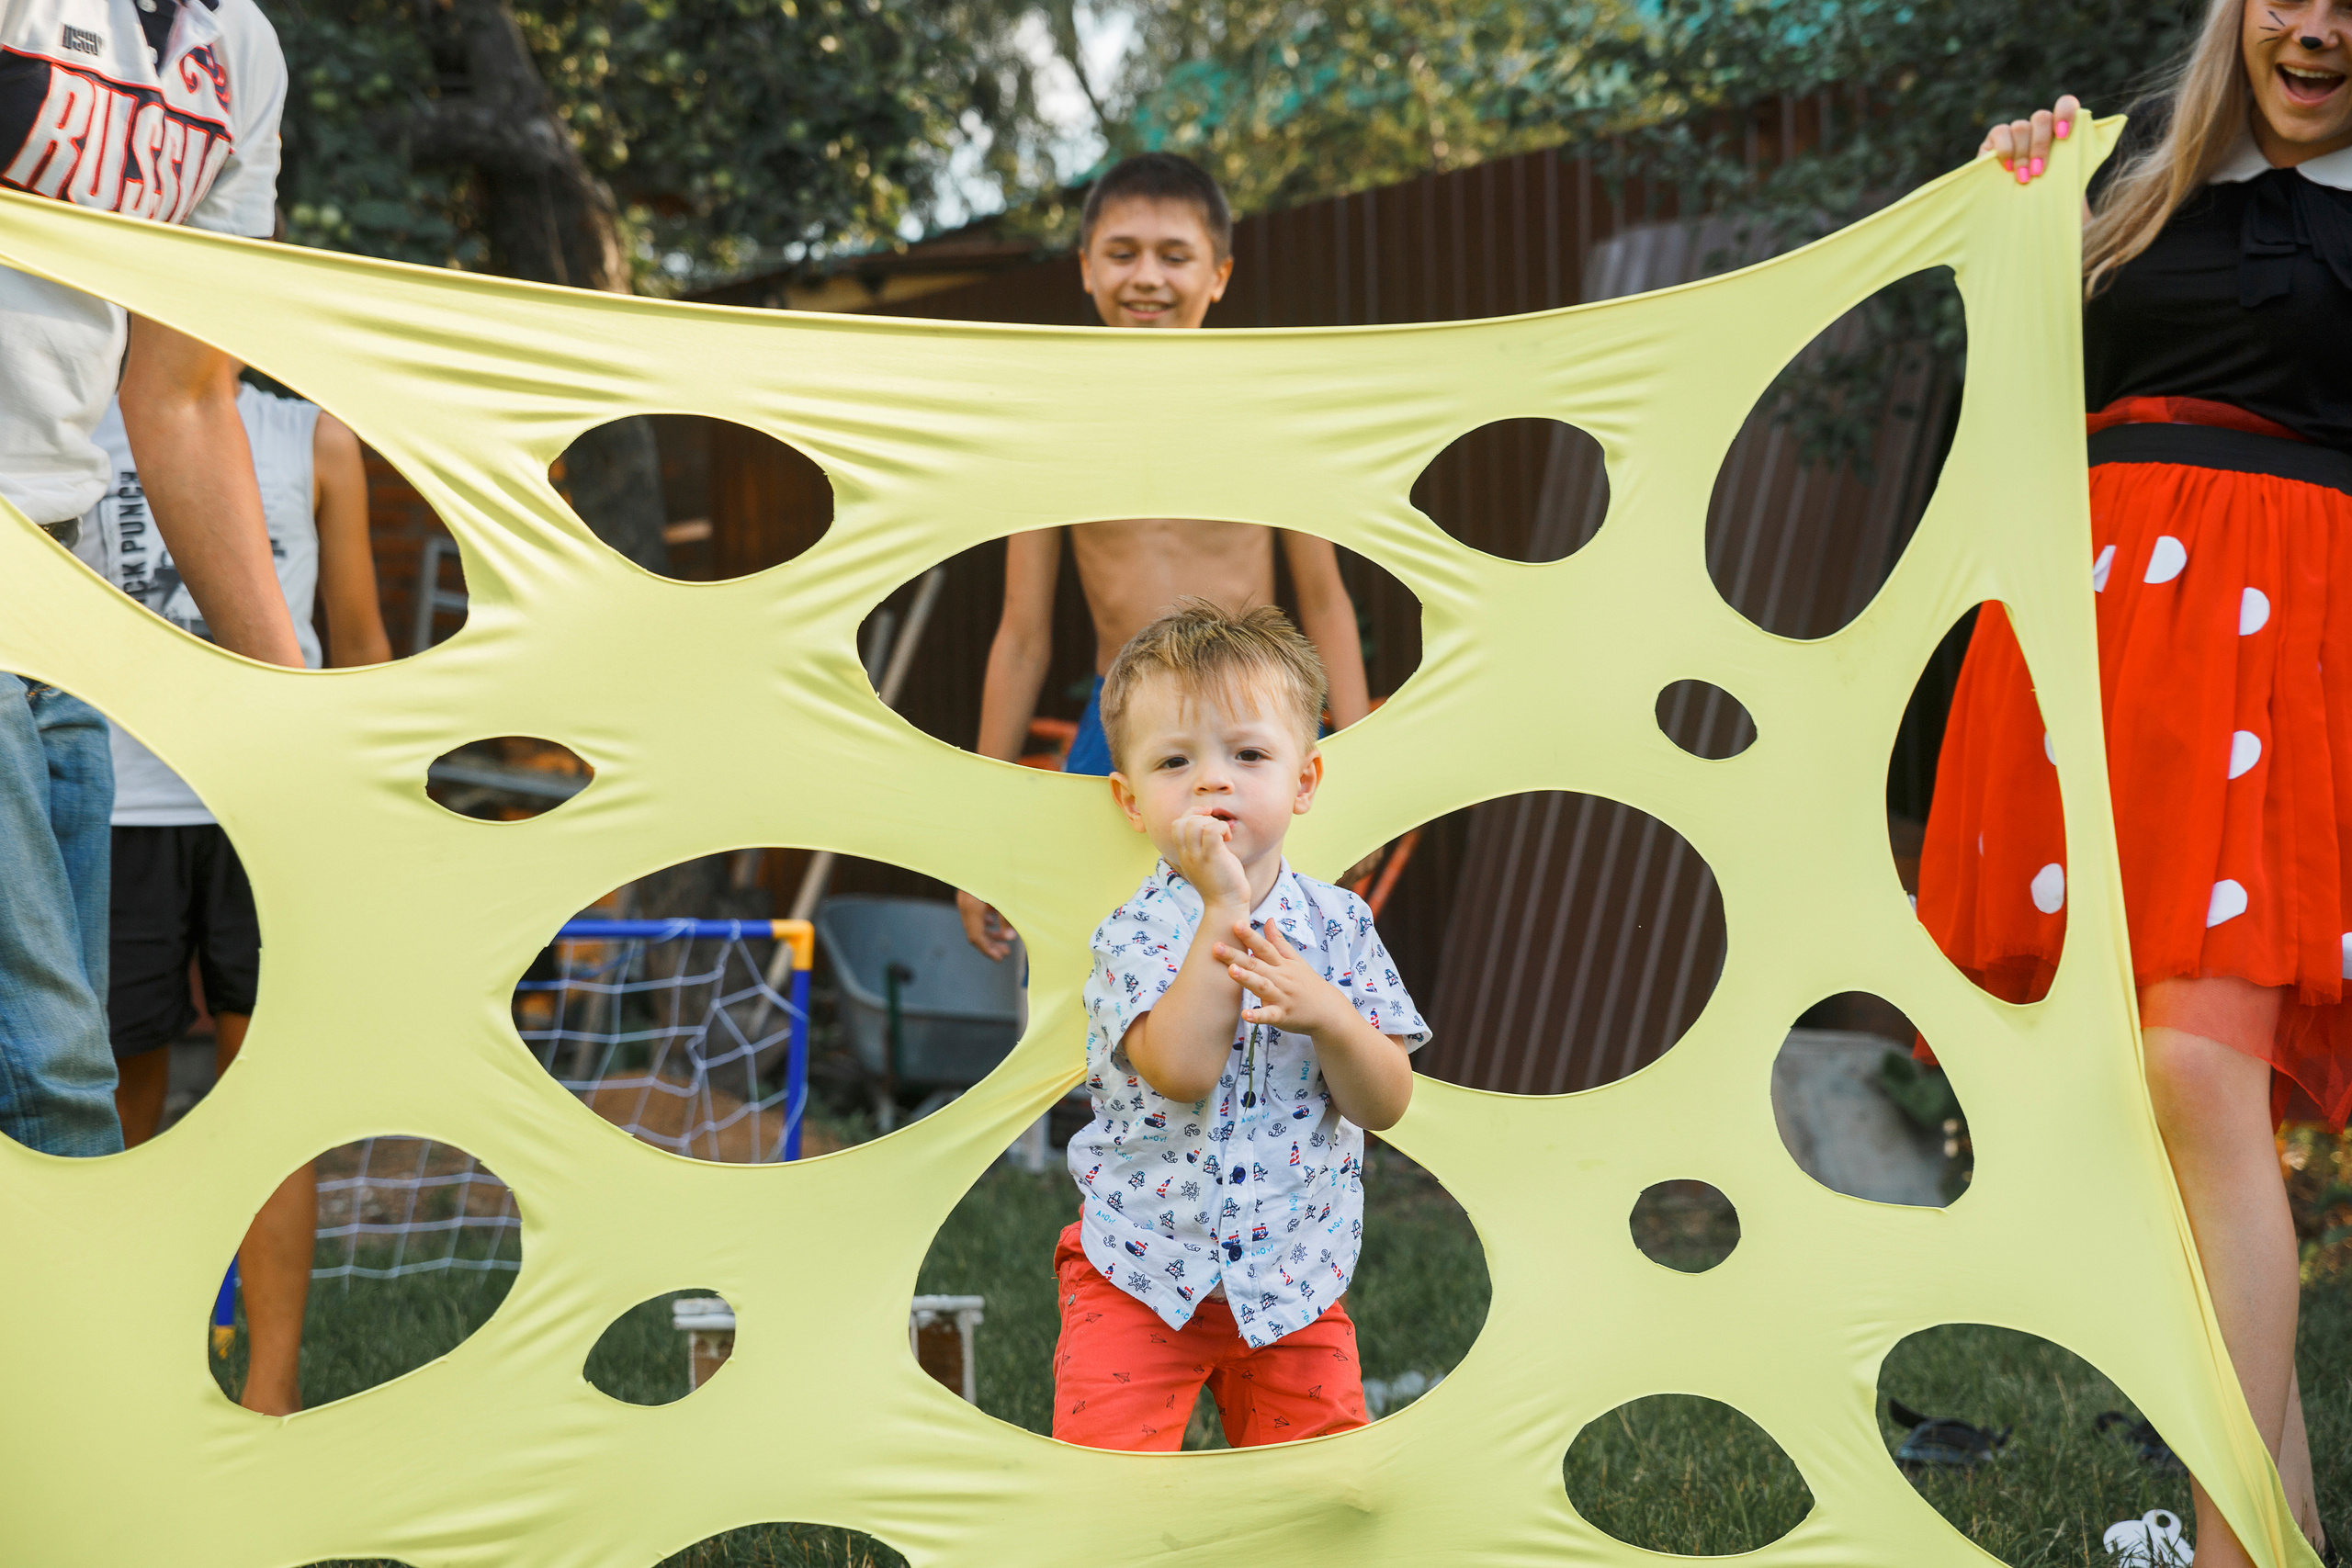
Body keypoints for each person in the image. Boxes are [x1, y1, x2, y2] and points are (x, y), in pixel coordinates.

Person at [1923, 6, 2350, 1561]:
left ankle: (2232, 1545)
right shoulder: (2148, 193)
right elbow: (2021, 392)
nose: (2319, 24)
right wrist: (2017, 208)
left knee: (2193, 1073)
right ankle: (2281, 1535)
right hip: (2118, 648)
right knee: (2166, 1101)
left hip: (2281, 650)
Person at [2, 0, 300, 1157]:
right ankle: (100, 1345)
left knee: (49, 1077)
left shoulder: (236, 52)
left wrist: (288, 704)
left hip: (58, 585)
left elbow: (181, 392)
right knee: (55, 1077)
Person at [956, 153, 1374, 959]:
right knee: (1085, 957)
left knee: (1279, 957)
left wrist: (1364, 769)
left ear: (1218, 275)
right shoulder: (1054, 434)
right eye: (1122, 253)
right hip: (1124, 725)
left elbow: (1324, 601)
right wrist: (982, 835)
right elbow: (1021, 633)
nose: (1146, 276)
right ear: (1085, 268)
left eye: (1174, 256)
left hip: (1256, 718)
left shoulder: (1265, 419)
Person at [75, 381, 389, 1413]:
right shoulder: (70, 412)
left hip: (272, 814)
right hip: (119, 809)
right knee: (116, 1102)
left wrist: (364, 819)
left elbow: (361, 645)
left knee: (273, 1108)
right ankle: (125, 1376)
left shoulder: (315, 437)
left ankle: (272, 1396)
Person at [1052, 599, 1427, 1451]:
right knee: (1103, 1492)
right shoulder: (1135, 933)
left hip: (1294, 1280)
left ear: (1304, 781)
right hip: (1141, 1273)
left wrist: (1330, 1014)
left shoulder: (1339, 929)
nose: (1214, 780)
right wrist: (1222, 907)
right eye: (1176, 760)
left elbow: (1385, 1102)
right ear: (1131, 799)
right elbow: (1180, 1069)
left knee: (1317, 1506)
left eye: (1249, 754)